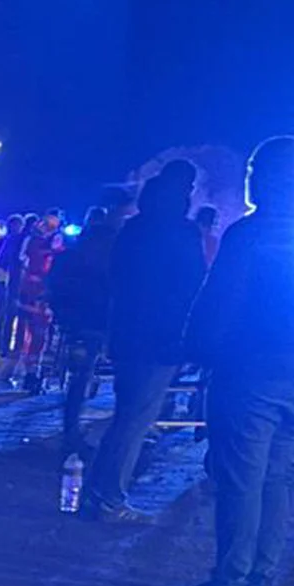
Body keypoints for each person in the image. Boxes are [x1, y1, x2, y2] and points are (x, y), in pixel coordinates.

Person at [173, 139, 294, 586]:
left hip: (253, 371)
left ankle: (230, 581)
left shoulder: (251, 234)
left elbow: (219, 302)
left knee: (242, 478)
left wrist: (198, 348)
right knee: (279, 478)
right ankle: (262, 578)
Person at [83, 160, 205, 522]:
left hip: (127, 333)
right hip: (162, 336)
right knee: (137, 419)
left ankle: (98, 491)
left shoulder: (134, 229)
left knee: (125, 415)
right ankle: (109, 497)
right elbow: (191, 286)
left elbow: (116, 279)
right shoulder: (182, 233)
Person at [46, 205, 117, 455]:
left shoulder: (72, 256)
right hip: (91, 324)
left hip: (84, 324)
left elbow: (54, 287)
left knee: (80, 379)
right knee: (81, 378)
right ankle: (72, 433)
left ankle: (72, 431)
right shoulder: (95, 262)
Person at [10, 211, 64, 391]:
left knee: (34, 335)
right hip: (38, 295)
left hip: (35, 294)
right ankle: (30, 372)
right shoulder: (43, 245)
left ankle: (28, 371)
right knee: (36, 335)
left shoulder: (37, 243)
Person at [0, 215, 26, 353]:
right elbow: (4, 261)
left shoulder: (3, 240)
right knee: (0, 312)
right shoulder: (10, 241)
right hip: (3, 280)